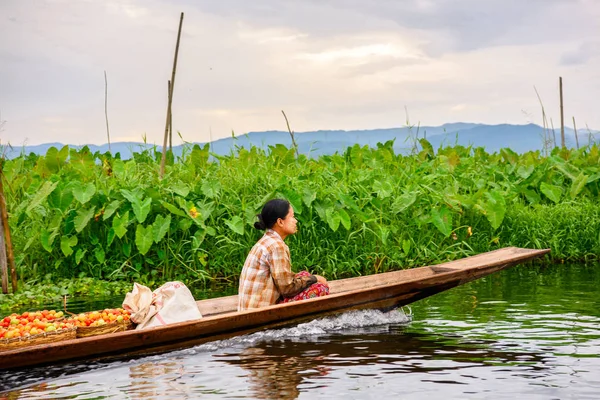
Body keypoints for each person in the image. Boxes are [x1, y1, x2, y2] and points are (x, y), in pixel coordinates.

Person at [238, 199, 329, 311]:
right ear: (280, 222)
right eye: (292, 217)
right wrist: (315, 278)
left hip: (248, 308)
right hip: (260, 311)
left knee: (304, 274)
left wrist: (310, 278)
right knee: (320, 288)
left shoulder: (267, 240)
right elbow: (287, 288)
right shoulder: (277, 246)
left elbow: (285, 281)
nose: (295, 221)